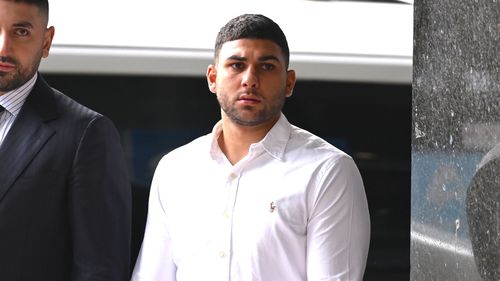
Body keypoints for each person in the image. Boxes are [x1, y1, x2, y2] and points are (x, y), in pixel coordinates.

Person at [132, 14, 370, 281]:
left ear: (289, 82)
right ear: (212, 78)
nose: (250, 79)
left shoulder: (328, 171)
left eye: (267, 66)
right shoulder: (175, 169)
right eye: (236, 65)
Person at [0, 0, 131, 280]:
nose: (3, 48)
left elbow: (100, 271)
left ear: (46, 42)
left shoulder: (87, 133)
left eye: (20, 31)